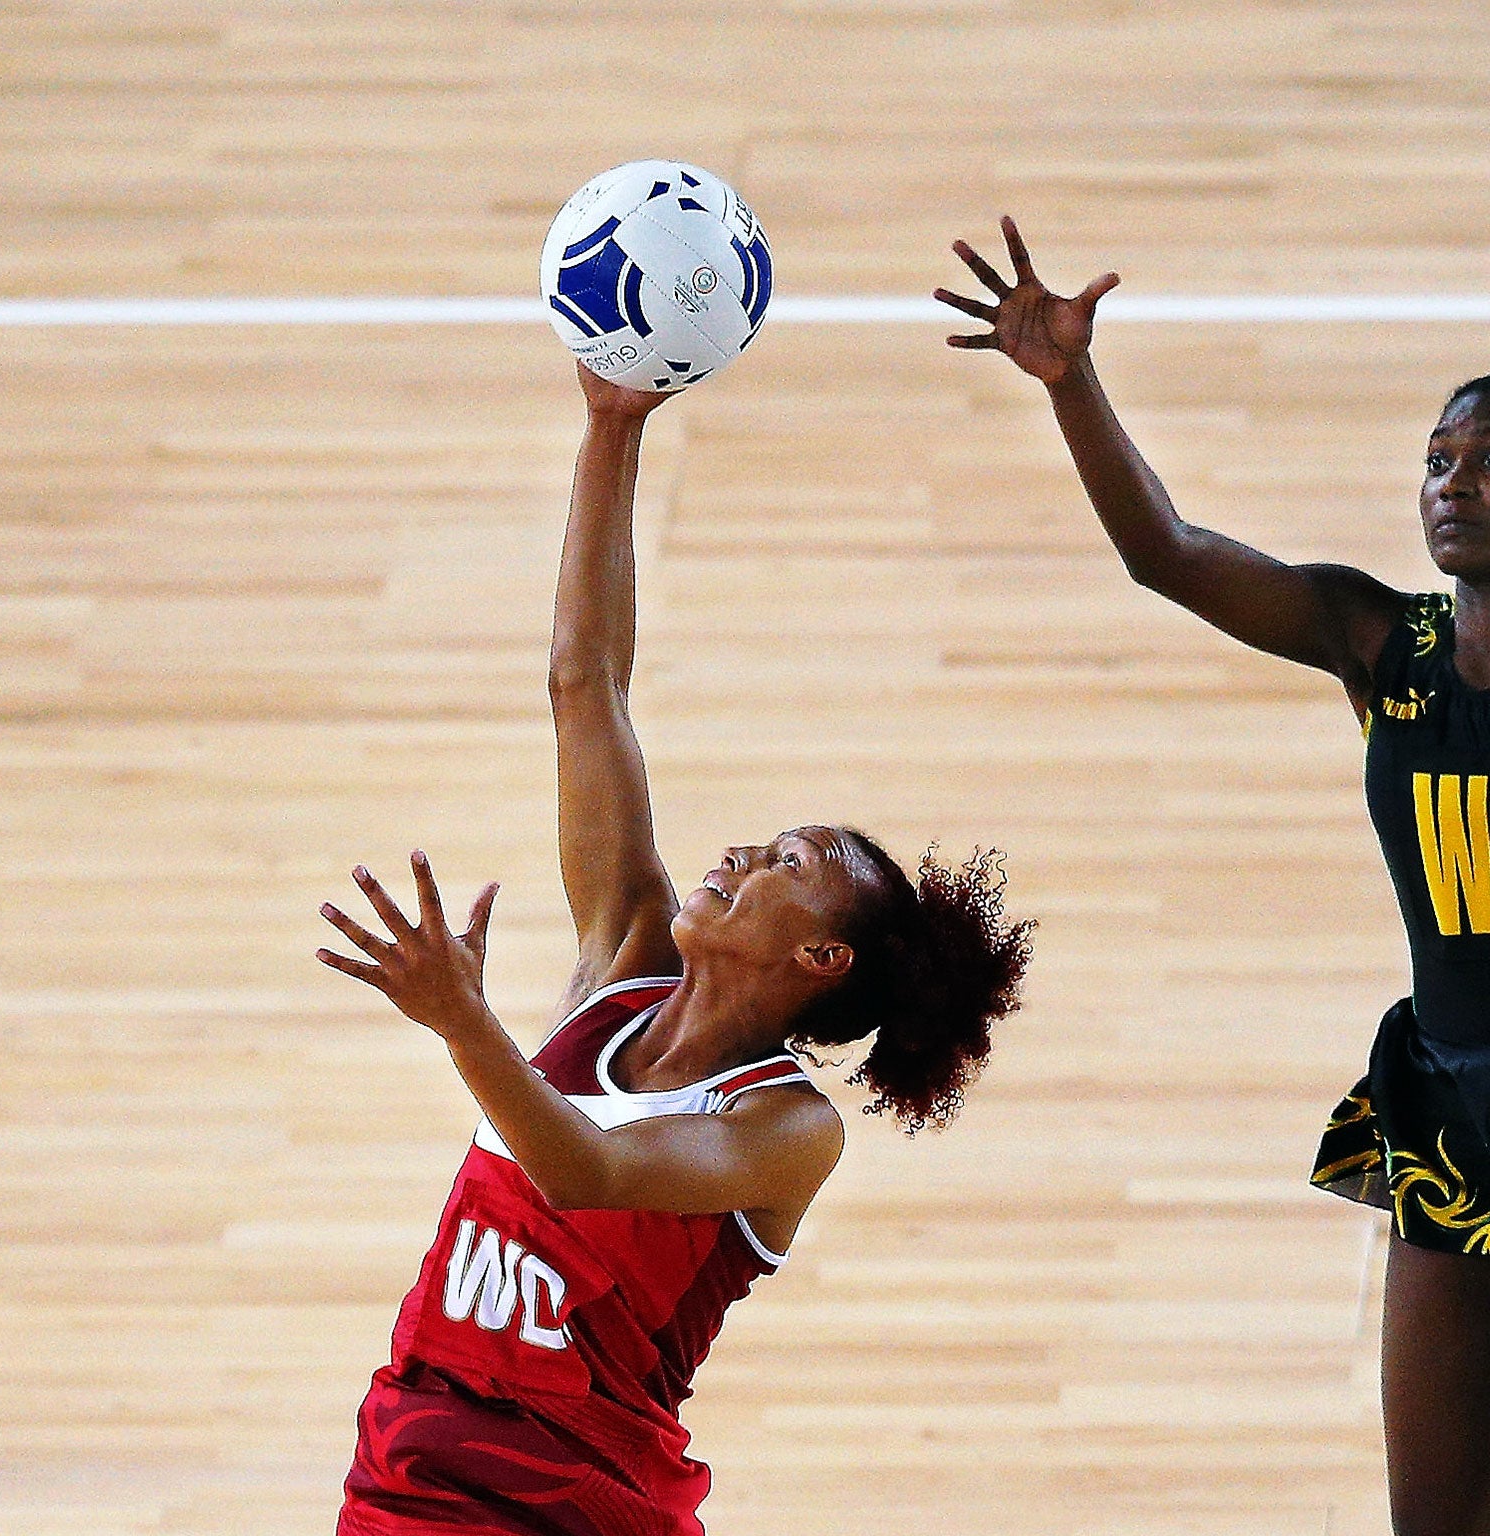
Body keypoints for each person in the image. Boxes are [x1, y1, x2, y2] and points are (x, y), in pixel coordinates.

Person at [937, 218, 1490, 1536]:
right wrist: (1072, 383)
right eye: (1437, 461)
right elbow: (1168, 556)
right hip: (1454, 1104)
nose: (1453, 482)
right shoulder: (1379, 641)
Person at [316, 361, 1034, 1536]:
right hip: (411, 1460)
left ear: (823, 961)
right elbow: (582, 683)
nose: (740, 857)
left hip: (581, 1503)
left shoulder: (784, 1131)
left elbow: (586, 1176)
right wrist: (611, 424)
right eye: (761, 844)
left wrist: (464, 1024)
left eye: (786, 869)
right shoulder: (623, 957)